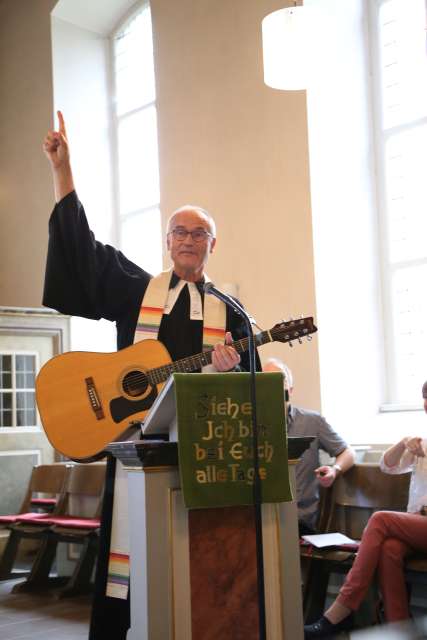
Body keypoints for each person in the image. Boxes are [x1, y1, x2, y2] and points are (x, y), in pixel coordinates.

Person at [42, 111, 259, 640]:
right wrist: (63, 171)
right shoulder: (138, 291)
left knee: (194, 566)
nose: (188, 240)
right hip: (137, 452)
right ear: (167, 242)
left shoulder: (231, 315)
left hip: (198, 460)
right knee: (131, 563)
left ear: (214, 244)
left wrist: (231, 373)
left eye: (199, 233)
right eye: (179, 232)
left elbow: (249, 395)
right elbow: (82, 253)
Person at [304, 381, 427, 638]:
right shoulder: (421, 442)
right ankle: (400, 629)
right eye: (425, 398)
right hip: (418, 524)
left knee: (381, 520)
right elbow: (387, 466)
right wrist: (404, 443)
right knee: (389, 548)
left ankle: (341, 609)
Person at [263, 358, 355, 535]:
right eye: (266, 382)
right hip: (263, 519)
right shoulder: (249, 425)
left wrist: (334, 470)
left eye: (279, 381)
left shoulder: (312, 421)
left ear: (290, 389)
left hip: (300, 520)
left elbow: (347, 452)